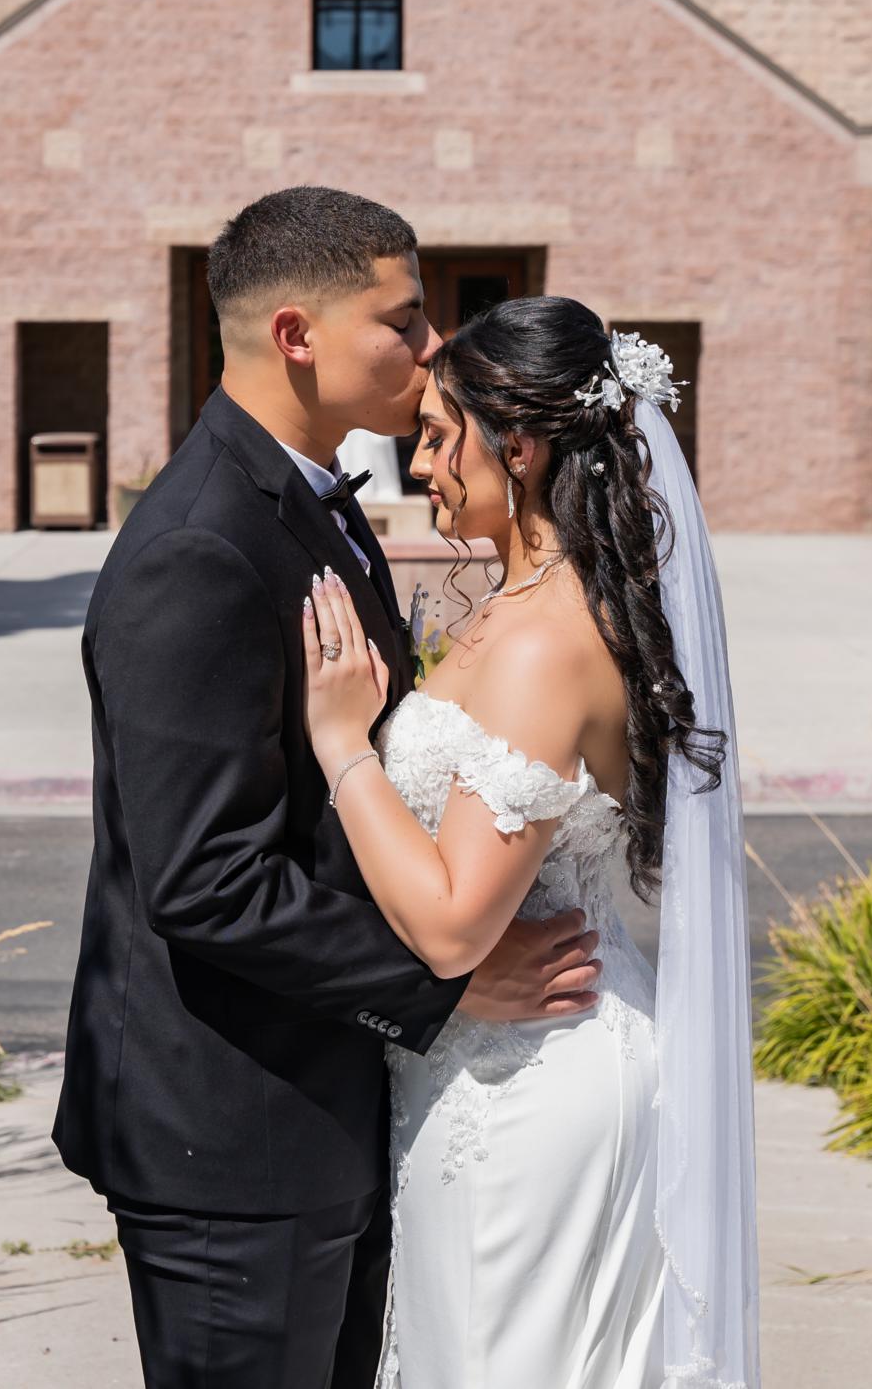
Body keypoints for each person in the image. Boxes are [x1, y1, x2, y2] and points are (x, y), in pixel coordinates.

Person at [52, 189, 605, 1389]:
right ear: (295, 334)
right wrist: (443, 983)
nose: (430, 345)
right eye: (401, 320)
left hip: (331, 1108)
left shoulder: (310, 503)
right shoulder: (199, 547)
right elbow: (204, 878)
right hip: (233, 1140)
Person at [300, 295, 761, 1388]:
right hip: (492, 1063)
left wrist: (342, 746)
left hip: (532, 1082)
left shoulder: (541, 646)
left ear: (519, 446)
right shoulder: (532, 604)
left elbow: (454, 925)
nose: (420, 466)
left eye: (437, 437)